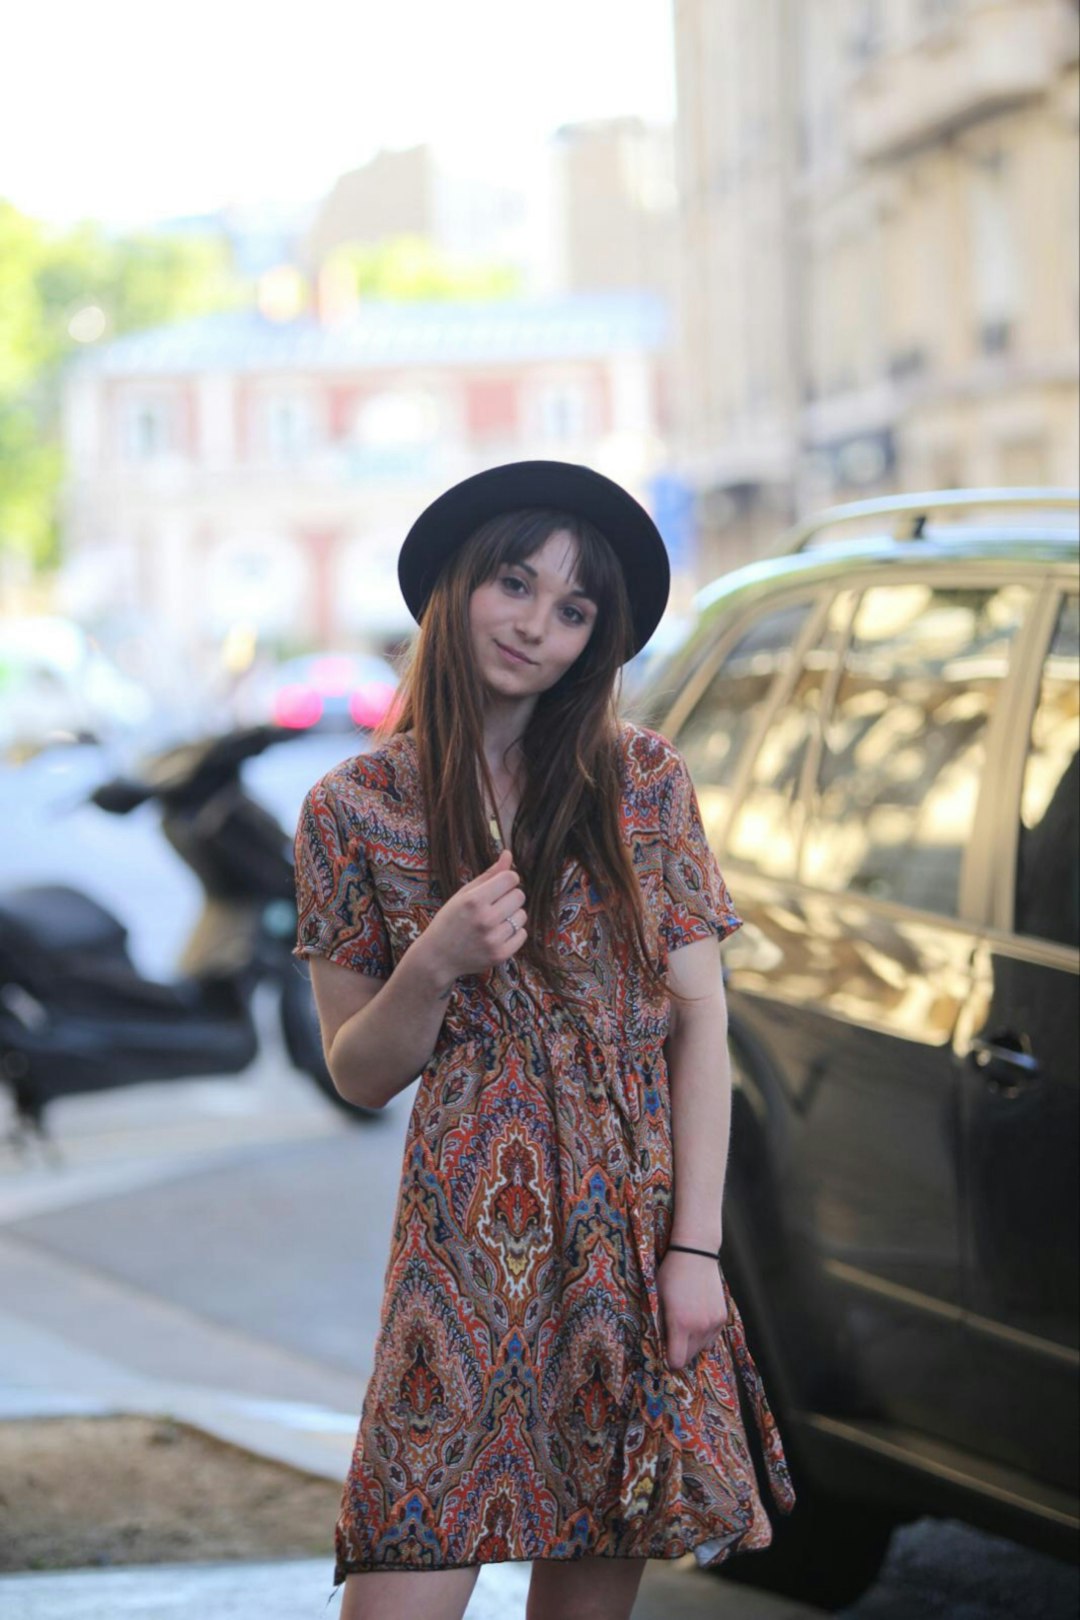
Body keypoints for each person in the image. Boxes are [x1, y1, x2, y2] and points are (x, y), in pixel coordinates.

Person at [293, 460, 795, 1620]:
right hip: (462, 1250)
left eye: (573, 608)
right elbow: (360, 1073)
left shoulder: (640, 779)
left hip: (628, 1233)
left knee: (587, 1592)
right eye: (515, 584)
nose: (536, 624)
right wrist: (434, 961)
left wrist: (696, 1254)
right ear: (457, 587)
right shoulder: (353, 808)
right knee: (403, 1584)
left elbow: (700, 1016)